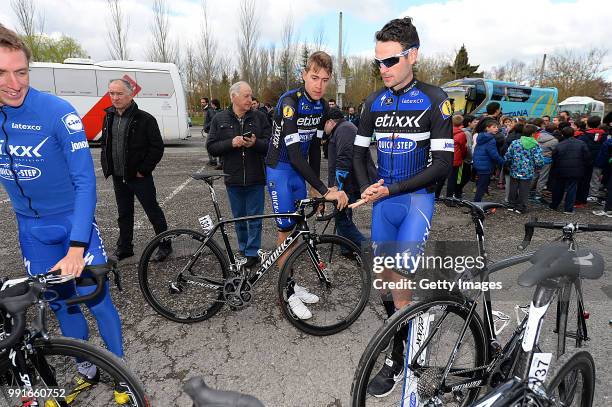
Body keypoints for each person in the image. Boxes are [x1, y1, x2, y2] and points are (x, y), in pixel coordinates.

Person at [0, 25, 128, 404]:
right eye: (3, 73)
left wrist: (76, 246)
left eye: (21, 72)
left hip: (73, 224)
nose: (14, 83)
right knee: (60, 304)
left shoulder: (56, 112)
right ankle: (86, 370)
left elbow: (85, 181)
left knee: (96, 300)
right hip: (31, 230)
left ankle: (120, 374)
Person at [351, 17, 453, 397]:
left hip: (415, 201)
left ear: (413, 55)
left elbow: (442, 166)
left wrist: (390, 187)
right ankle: (407, 335)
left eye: (390, 61)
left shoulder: (435, 99)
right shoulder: (373, 101)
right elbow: (358, 152)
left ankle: (400, 359)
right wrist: (368, 185)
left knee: (401, 282)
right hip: (384, 202)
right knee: (384, 279)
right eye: (378, 62)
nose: (383, 69)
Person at [266, 51, 348, 320]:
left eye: (325, 80)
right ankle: (286, 292)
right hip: (280, 170)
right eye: (314, 77)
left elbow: (313, 145)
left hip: (299, 172)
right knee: (285, 231)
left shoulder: (321, 106)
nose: (319, 85)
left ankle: (290, 283)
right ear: (304, 75)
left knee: (298, 230)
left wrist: (316, 184)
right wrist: (324, 189)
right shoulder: (289, 102)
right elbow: (293, 153)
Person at [101, 78, 171, 262]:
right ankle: (125, 247)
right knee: (124, 213)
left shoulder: (145, 119)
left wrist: (143, 170)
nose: (114, 98)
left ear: (131, 94)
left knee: (152, 211)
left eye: (119, 93)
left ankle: (165, 245)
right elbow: (106, 144)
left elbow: (157, 147)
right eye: (111, 93)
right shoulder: (108, 116)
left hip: (139, 176)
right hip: (118, 175)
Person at [206, 82, 270, 268]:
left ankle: (252, 253)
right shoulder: (219, 119)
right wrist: (230, 143)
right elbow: (211, 147)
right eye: (246, 96)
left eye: (251, 96)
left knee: (255, 218)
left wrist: (255, 144)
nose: (250, 100)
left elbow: (271, 146)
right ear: (233, 97)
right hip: (232, 177)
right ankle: (243, 249)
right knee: (239, 217)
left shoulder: (260, 118)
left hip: (256, 177)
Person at [325, 107, 376, 250]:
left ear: (330, 122)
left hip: (349, 182)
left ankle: (367, 250)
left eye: (323, 125)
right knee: (343, 216)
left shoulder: (344, 129)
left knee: (342, 220)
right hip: (348, 182)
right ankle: (347, 248)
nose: (323, 130)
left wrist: (336, 186)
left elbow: (344, 158)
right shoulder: (342, 128)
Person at [549, 127, 591, 214]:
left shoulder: (559, 145)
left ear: (563, 134)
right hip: (576, 169)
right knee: (572, 188)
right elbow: (587, 157)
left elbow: (554, 157)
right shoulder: (581, 143)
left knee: (558, 187)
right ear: (573, 133)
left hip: (560, 169)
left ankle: (554, 205)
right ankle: (568, 208)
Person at [504, 124, 545, 213]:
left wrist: (509, 164)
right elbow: (539, 160)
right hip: (527, 171)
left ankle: (511, 205)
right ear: (533, 133)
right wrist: (539, 167)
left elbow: (508, 156)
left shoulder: (515, 142)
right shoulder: (535, 144)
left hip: (514, 169)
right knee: (524, 189)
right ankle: (520, 207)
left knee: (513, 187)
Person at [473, 119, 504, 202]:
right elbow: (494, 155)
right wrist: (503, 162)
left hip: (479, 163)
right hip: (486, 165)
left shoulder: (481, 136)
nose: (496, 129)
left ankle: (477, 202)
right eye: (494, 127)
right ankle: (476, 205)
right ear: (487, 128)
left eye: (497, 127)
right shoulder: (491, 139)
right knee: (482, 186)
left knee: (481, 185)